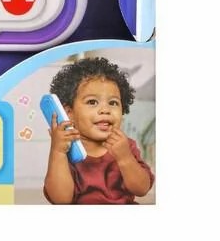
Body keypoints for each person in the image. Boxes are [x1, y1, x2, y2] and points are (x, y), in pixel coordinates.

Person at [43, 56, 154, 204]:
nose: (105, 110)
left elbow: (142, 189)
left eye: (113, 103)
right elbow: (60, 200)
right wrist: (57, 152)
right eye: (92, 102)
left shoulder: (126, 146)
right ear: (69, 113)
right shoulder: (67, 148)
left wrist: (125, 158)